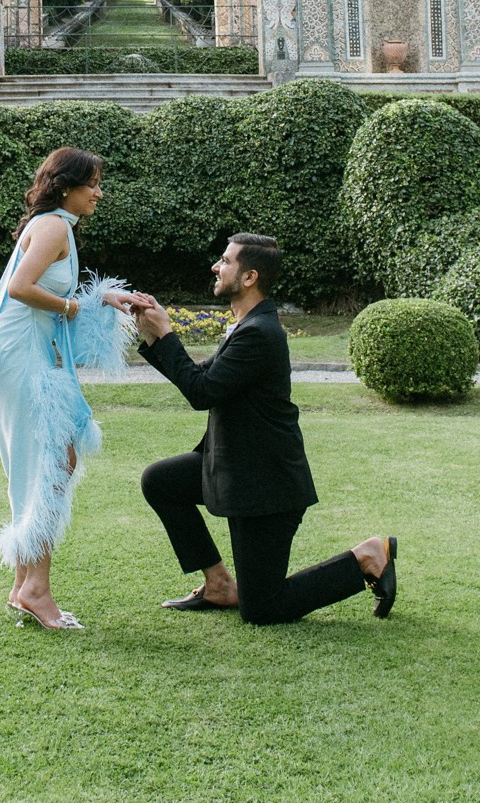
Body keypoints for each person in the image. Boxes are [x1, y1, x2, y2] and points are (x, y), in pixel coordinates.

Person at [131, 234, 399, 624]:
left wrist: (167, 334)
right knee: (161, 481)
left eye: (225, 261)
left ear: (249, 277)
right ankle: (219, 584)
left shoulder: (260, 333)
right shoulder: (249, 326)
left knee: (262, 608)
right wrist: (155, 336)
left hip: (267, 486)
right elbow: (204, 378)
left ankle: (365, 558)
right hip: (236, 469)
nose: (216, 267)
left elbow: (202, 392)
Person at [0, 147, 145, 629]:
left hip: (27, 354)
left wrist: (100, 297)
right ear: (65, 187)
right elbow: (21, 288)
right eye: (93, 184)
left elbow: (46, 291)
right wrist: (72, 308)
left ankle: (25, 585)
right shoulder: (54, 227)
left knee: (43, 461)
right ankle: (35, 589)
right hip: (21, 356)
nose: (99, 193)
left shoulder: (56, 226)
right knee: (50, 461)